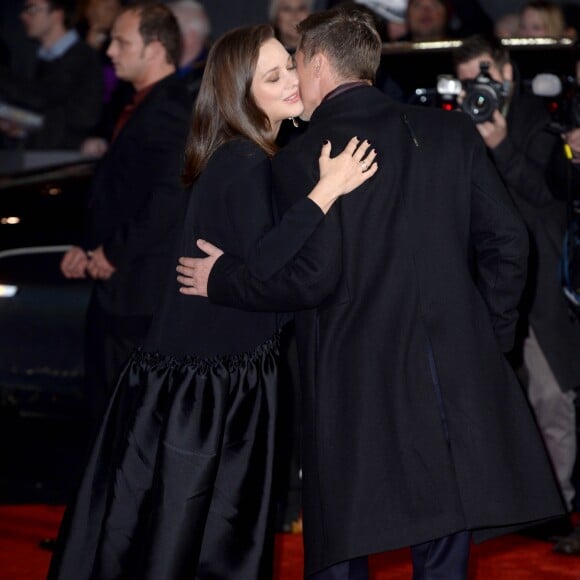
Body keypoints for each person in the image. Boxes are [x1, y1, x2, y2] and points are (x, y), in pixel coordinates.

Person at [177, 6, 565, 578]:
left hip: (350, 383)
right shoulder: (451, 130)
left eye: (294, 63)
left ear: (317, 63)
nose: (293, 79)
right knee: (442, 541)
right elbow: (510, 242)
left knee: (345, 545)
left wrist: (223, 279)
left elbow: (309, 277)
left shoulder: (299, 160)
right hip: (450, 378)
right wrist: (490, 336)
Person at [48, 22, 377, 580]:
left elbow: (253, 266)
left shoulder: (245, 156)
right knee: (194, 543)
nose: (294, 82)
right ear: (241, 95)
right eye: (273, 76)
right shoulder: (243, 161)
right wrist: (328, 188)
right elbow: (266, 262)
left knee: (188, 539)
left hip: (211, 381)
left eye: (290, 67)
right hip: (204, 392)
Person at [455, 34, 580, 537]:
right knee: (511, 398)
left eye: (485, 75)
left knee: (553, 399)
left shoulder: (542, 114)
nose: (479, 89)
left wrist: (500, 144)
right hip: (492, 279)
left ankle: (561, 507)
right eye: (468, 82)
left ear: (506, 70)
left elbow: (548, 194)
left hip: (544, 281)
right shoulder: (461, 119)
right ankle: (527, 501)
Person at [59, 2, 192, 436]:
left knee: (129, 430)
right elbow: (120, 194)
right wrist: (88, 247)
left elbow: (169, 196)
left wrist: (112, 253)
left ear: (155, 48)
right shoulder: (138, 102)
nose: (110, 51)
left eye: (121, 41)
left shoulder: (170, 106)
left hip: (138, 296)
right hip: (120, 290)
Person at [0, 0, 103, 149]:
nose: (23, 16)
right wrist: (20, 128)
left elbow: (44, 98)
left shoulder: (82, 57)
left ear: (57, 14)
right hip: (42, 155)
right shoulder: (38, 57)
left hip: (67, 159)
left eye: (33, 9)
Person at [166, 0, 211, 100]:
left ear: (190, 37)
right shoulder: (163, 68)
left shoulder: (210, 82)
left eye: (169, 32)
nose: (161, 39)